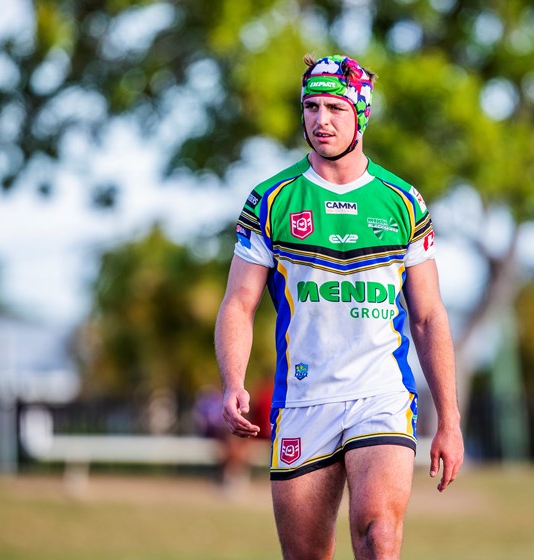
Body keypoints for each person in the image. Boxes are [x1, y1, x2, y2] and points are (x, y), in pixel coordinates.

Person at [215, 53, 464, 559]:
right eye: (311, 107)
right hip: (303, 400)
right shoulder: (271, 200)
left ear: (361, 115)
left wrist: (450, 419)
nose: (320, 120)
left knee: (379, 535)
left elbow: (428, 316)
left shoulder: (403, 202)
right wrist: (233, 381)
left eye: (335, 107)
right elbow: (239, 303)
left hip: (382, 394)